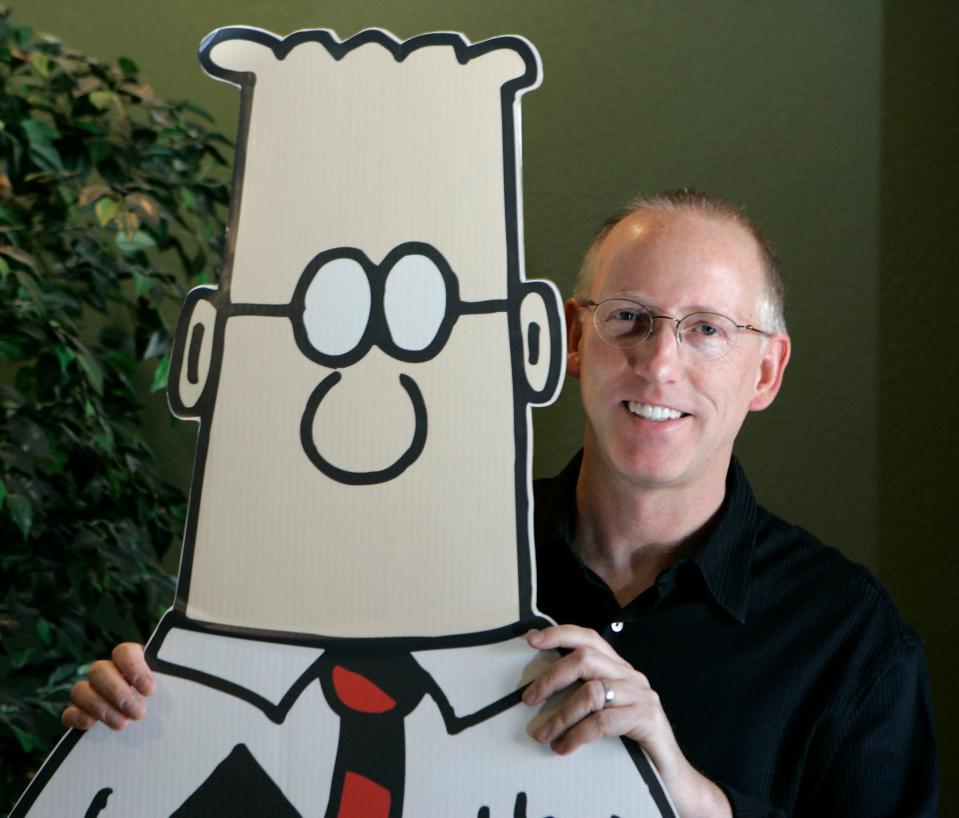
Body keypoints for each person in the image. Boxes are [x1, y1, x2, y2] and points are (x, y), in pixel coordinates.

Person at [61, 189, 938, 817]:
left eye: (707, 329)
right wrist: (143, 723)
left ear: (765, 372)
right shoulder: (418, 560)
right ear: (566, 339)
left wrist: (683, 793)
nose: (659, 362)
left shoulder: (852, 640)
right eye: (628, 317)